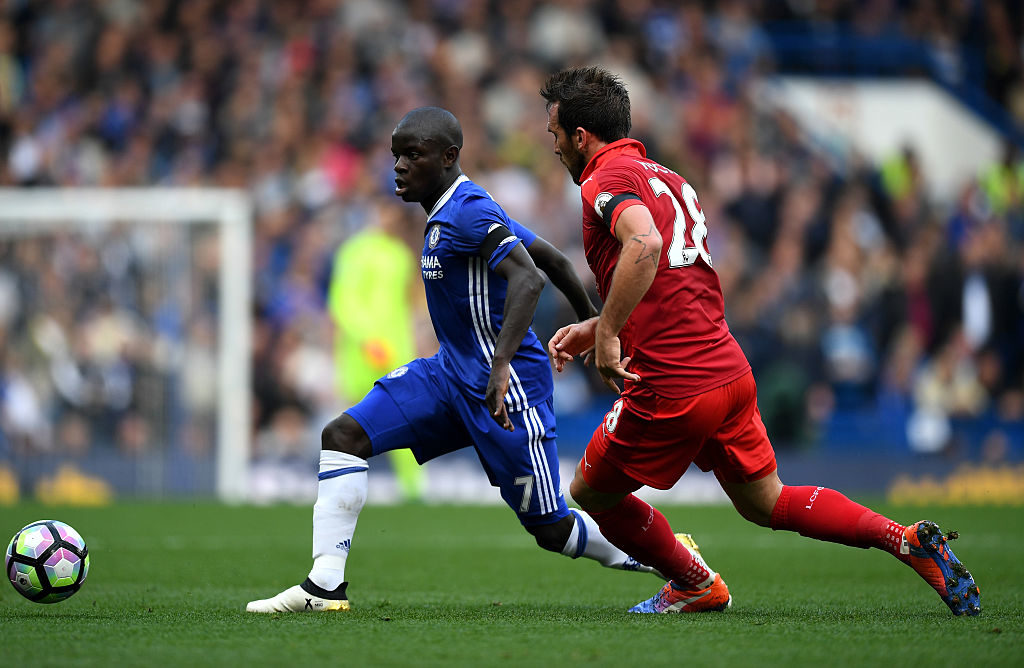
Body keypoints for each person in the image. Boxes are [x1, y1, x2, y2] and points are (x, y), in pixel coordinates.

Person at [539, 66, 981, 616]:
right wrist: (603, 323)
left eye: (555, 132)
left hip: (672, 383)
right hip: (726, 367)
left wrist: (607, 335)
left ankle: (694, 583)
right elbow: (672, 274)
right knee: (766, 502)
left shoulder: (603, 180)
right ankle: (905, 540)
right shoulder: (668, 178)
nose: (553, 144)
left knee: (589, 493)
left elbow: (646, 246)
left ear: (581, 136)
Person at [247, 106, 714, 613]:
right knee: (342, 436)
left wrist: (509, 362)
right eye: (395, 156)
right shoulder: (453, 209)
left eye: (412, 155)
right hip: (449, 373)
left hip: (506, 386)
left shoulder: (467, 209)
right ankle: (325, 587)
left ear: (448, 157)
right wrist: (599, 323)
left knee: (551, 527)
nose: (399, 167)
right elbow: (553, 260)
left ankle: (670, 556)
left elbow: (529, 278)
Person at [327, 203, 426, 501]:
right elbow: (342, 300)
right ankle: (344, 487)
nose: (390, 220)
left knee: (405, 418)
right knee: (354, 421)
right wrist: (366, 338)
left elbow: (408, 302)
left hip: (395, 349)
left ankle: (413, 490)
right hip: (361, 351)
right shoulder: (355, 251)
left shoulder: (400, 255)